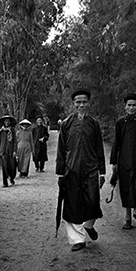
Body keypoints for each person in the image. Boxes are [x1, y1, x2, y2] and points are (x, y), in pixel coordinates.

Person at [56, 89, 106, 251]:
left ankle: (89, 225)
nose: (81, 105)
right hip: (71, 170)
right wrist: (61, 172)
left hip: (91, 170)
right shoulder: (66, 124)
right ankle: (78, 239)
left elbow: (99, 148)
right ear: (73, 104)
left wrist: (102, 172)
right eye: (78, 102)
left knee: (92, 202)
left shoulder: (94, 124)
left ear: (89, 103)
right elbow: (61, 150)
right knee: (72, 204)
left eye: (84, 102)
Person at [109, 93, 136, 230]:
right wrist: (114, 162)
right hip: (124, 161)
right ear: (125, 107)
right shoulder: (120, 123)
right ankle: (127, 219)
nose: (131, 108)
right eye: (129, 105)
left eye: (134, 105)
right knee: (126, 189)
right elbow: (117, 142)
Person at [0, 114, 17, 187]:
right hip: (3, 151)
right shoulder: (1, 131)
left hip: (11, 151)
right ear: (4, 122)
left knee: (12, 166)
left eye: (8, 121)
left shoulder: (12, 130)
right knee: (4, 166)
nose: (7, 122)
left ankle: (11, 177)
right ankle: (5, 183)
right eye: (6, 121)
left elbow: (14, 141)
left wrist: (15, 151)